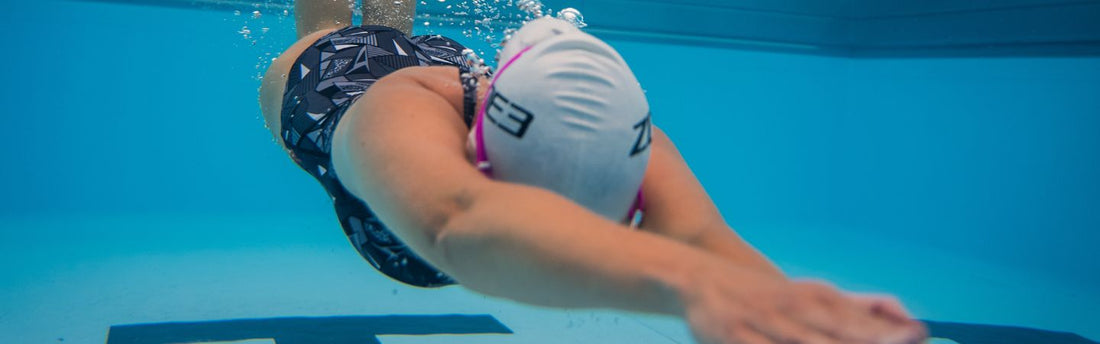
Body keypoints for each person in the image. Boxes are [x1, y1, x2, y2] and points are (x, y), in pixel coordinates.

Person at [258, 1, 929, 344]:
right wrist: (694, 286)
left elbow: (708, 245)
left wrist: (799, 315)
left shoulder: (631, 139)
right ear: (485, 136)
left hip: (452, 66)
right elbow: (460, 222)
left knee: (395, 20)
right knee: (327, 24)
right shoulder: (395, 116)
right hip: (337, 77)